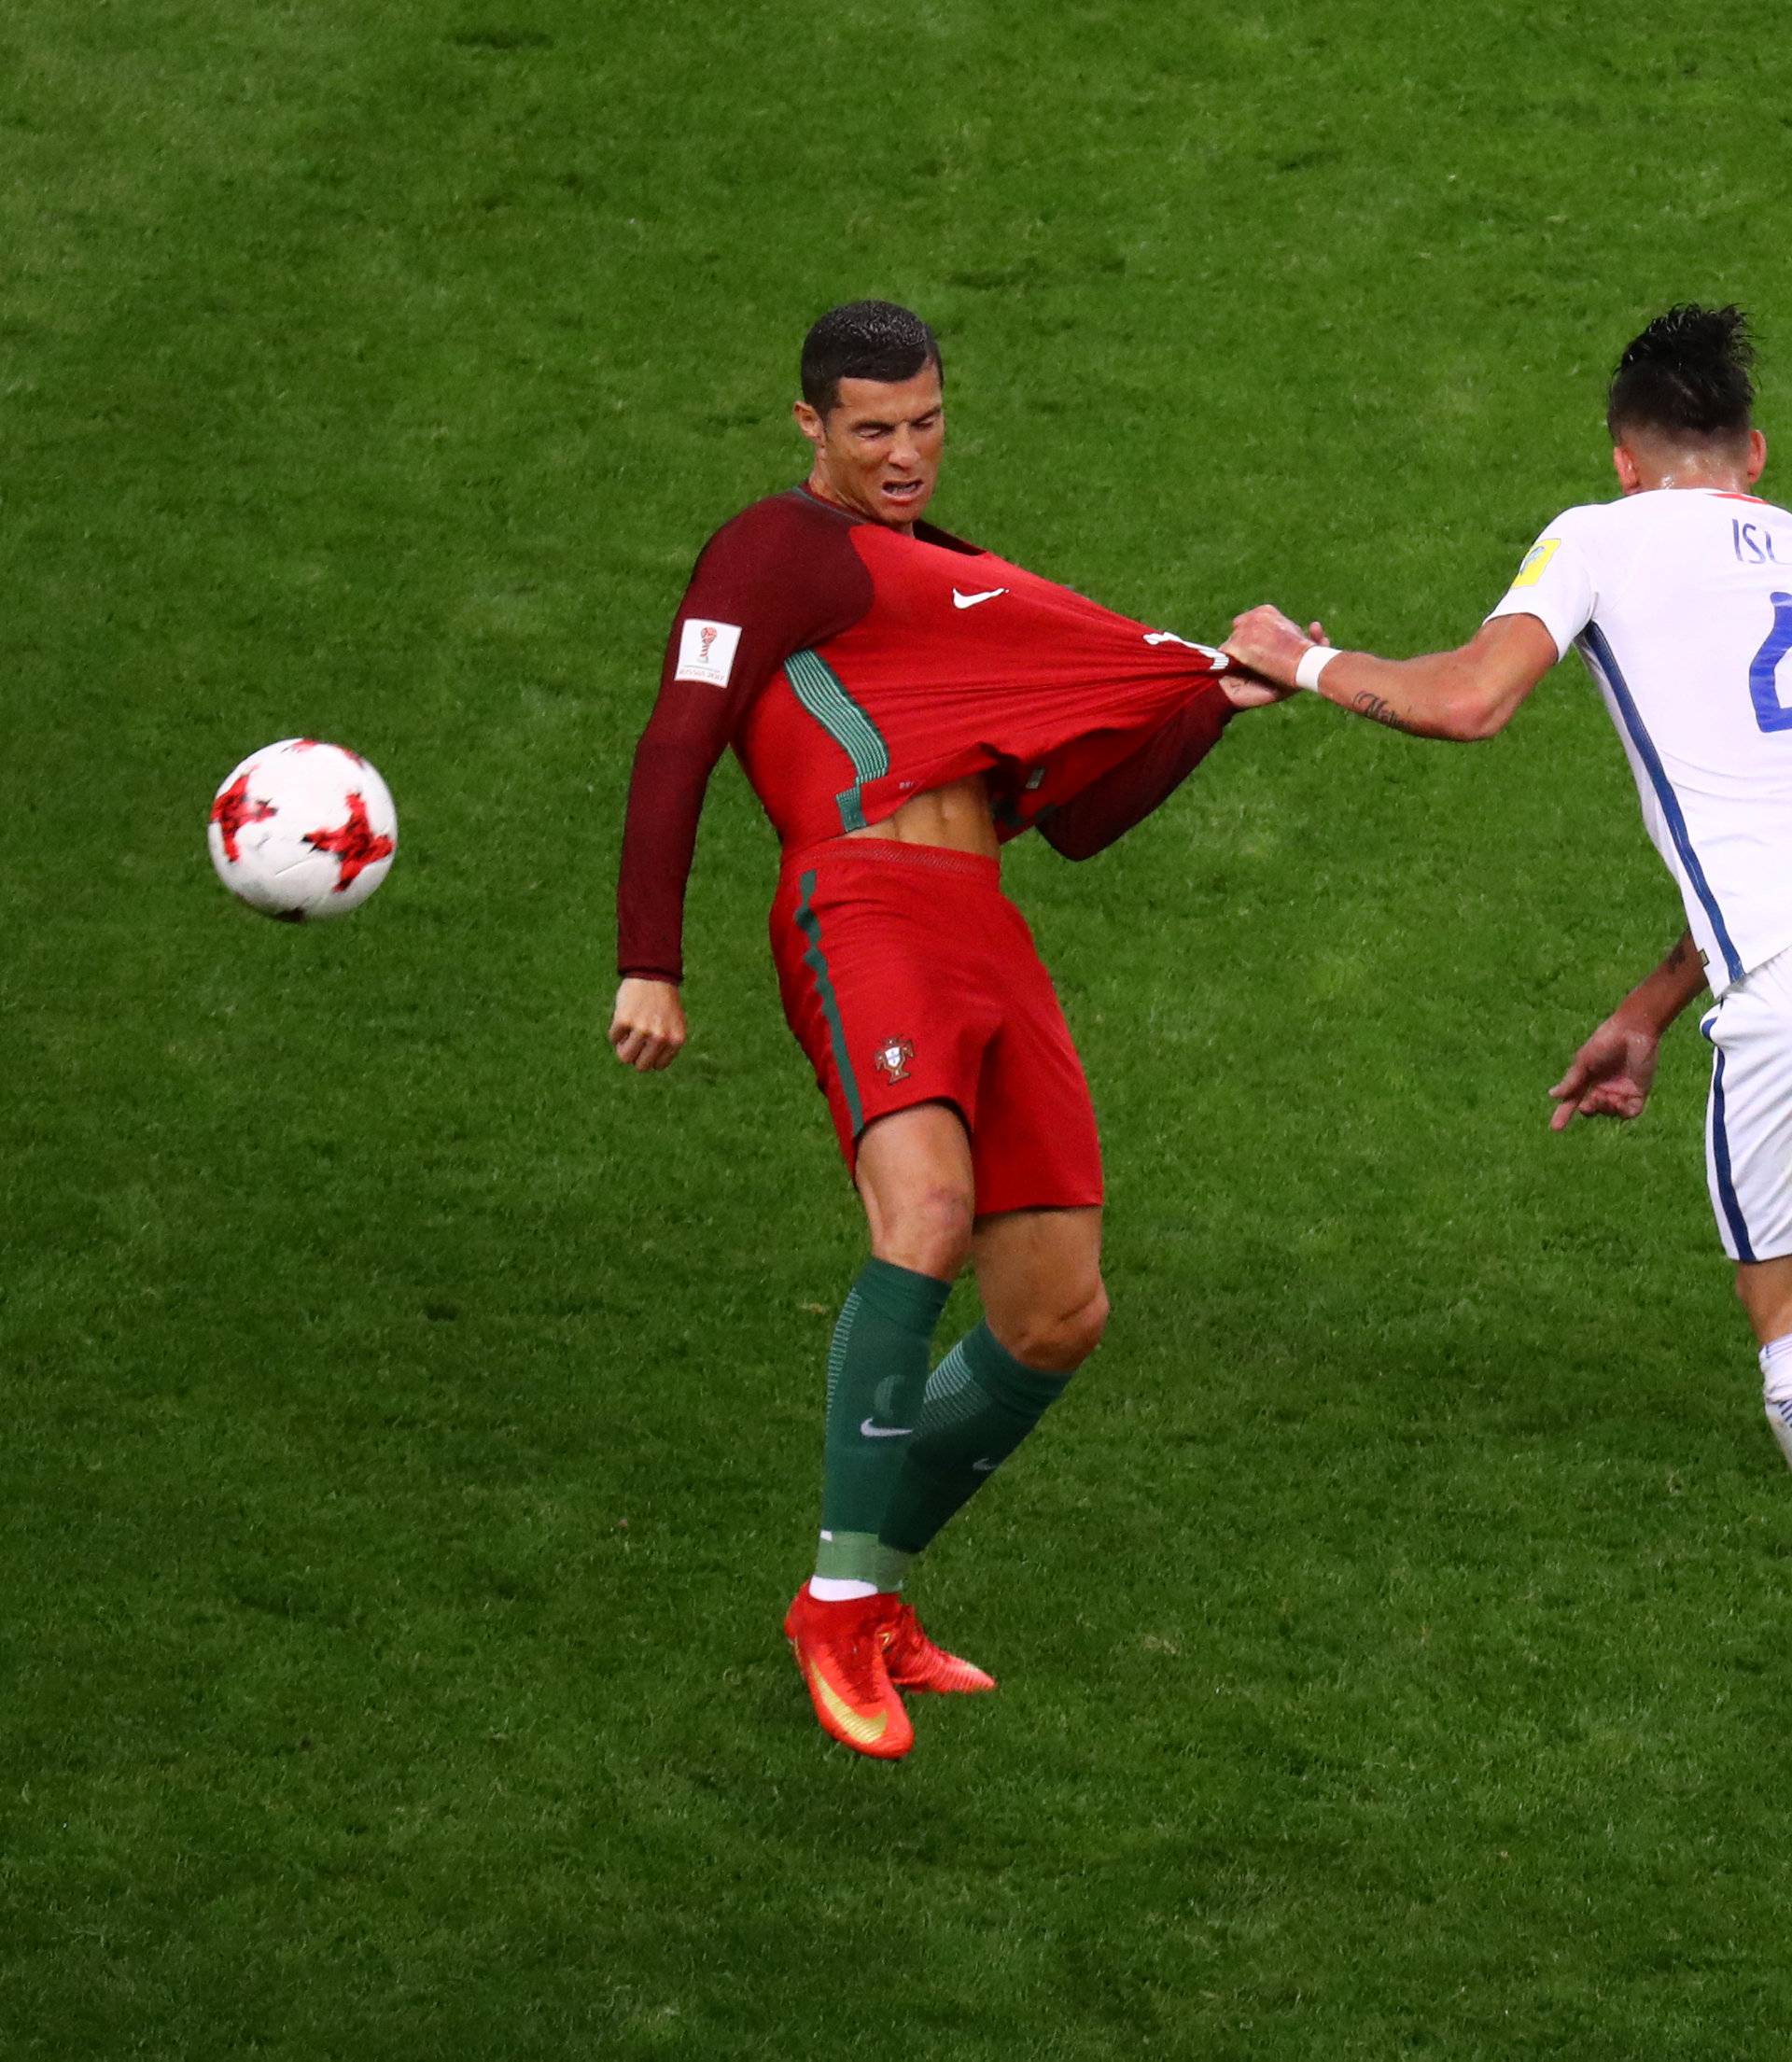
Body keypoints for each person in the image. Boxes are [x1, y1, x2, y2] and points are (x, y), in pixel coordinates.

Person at [611, 301, 1281, 1759]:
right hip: (859, 907)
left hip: (985, 929)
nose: (905, 453)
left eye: (924, 422)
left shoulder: (962, 585)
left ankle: (864, 1591)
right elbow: (680, 732)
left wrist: (1214, 700)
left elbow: (1083, 821)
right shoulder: (773, 551)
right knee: (923, 1217)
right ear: (810, 426)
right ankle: (843, 1607)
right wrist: (646, 962)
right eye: (872, 430)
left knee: (1056, 1313)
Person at [1224, 303, 1792, 1470]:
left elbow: (1471, 699)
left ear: (1625, 466)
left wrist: (1303, 659)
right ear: (1756, 455)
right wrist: (1647, 1009)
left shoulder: (1602, 535)